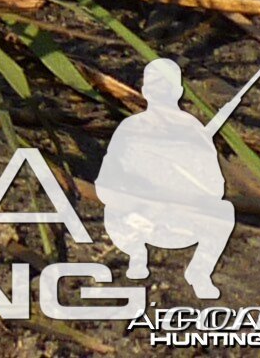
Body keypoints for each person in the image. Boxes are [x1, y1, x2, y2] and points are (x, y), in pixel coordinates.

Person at [95, 59, 238, 296]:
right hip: (134, 220)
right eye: (156, 85)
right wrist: (138, 198)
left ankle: (199, 272)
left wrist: (186, 192)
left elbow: (215, 188)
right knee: (113, 209)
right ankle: (136, 254)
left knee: (224, 212)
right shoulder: (131, 128)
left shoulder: (193, 130)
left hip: (179, 223)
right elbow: (105, 185)